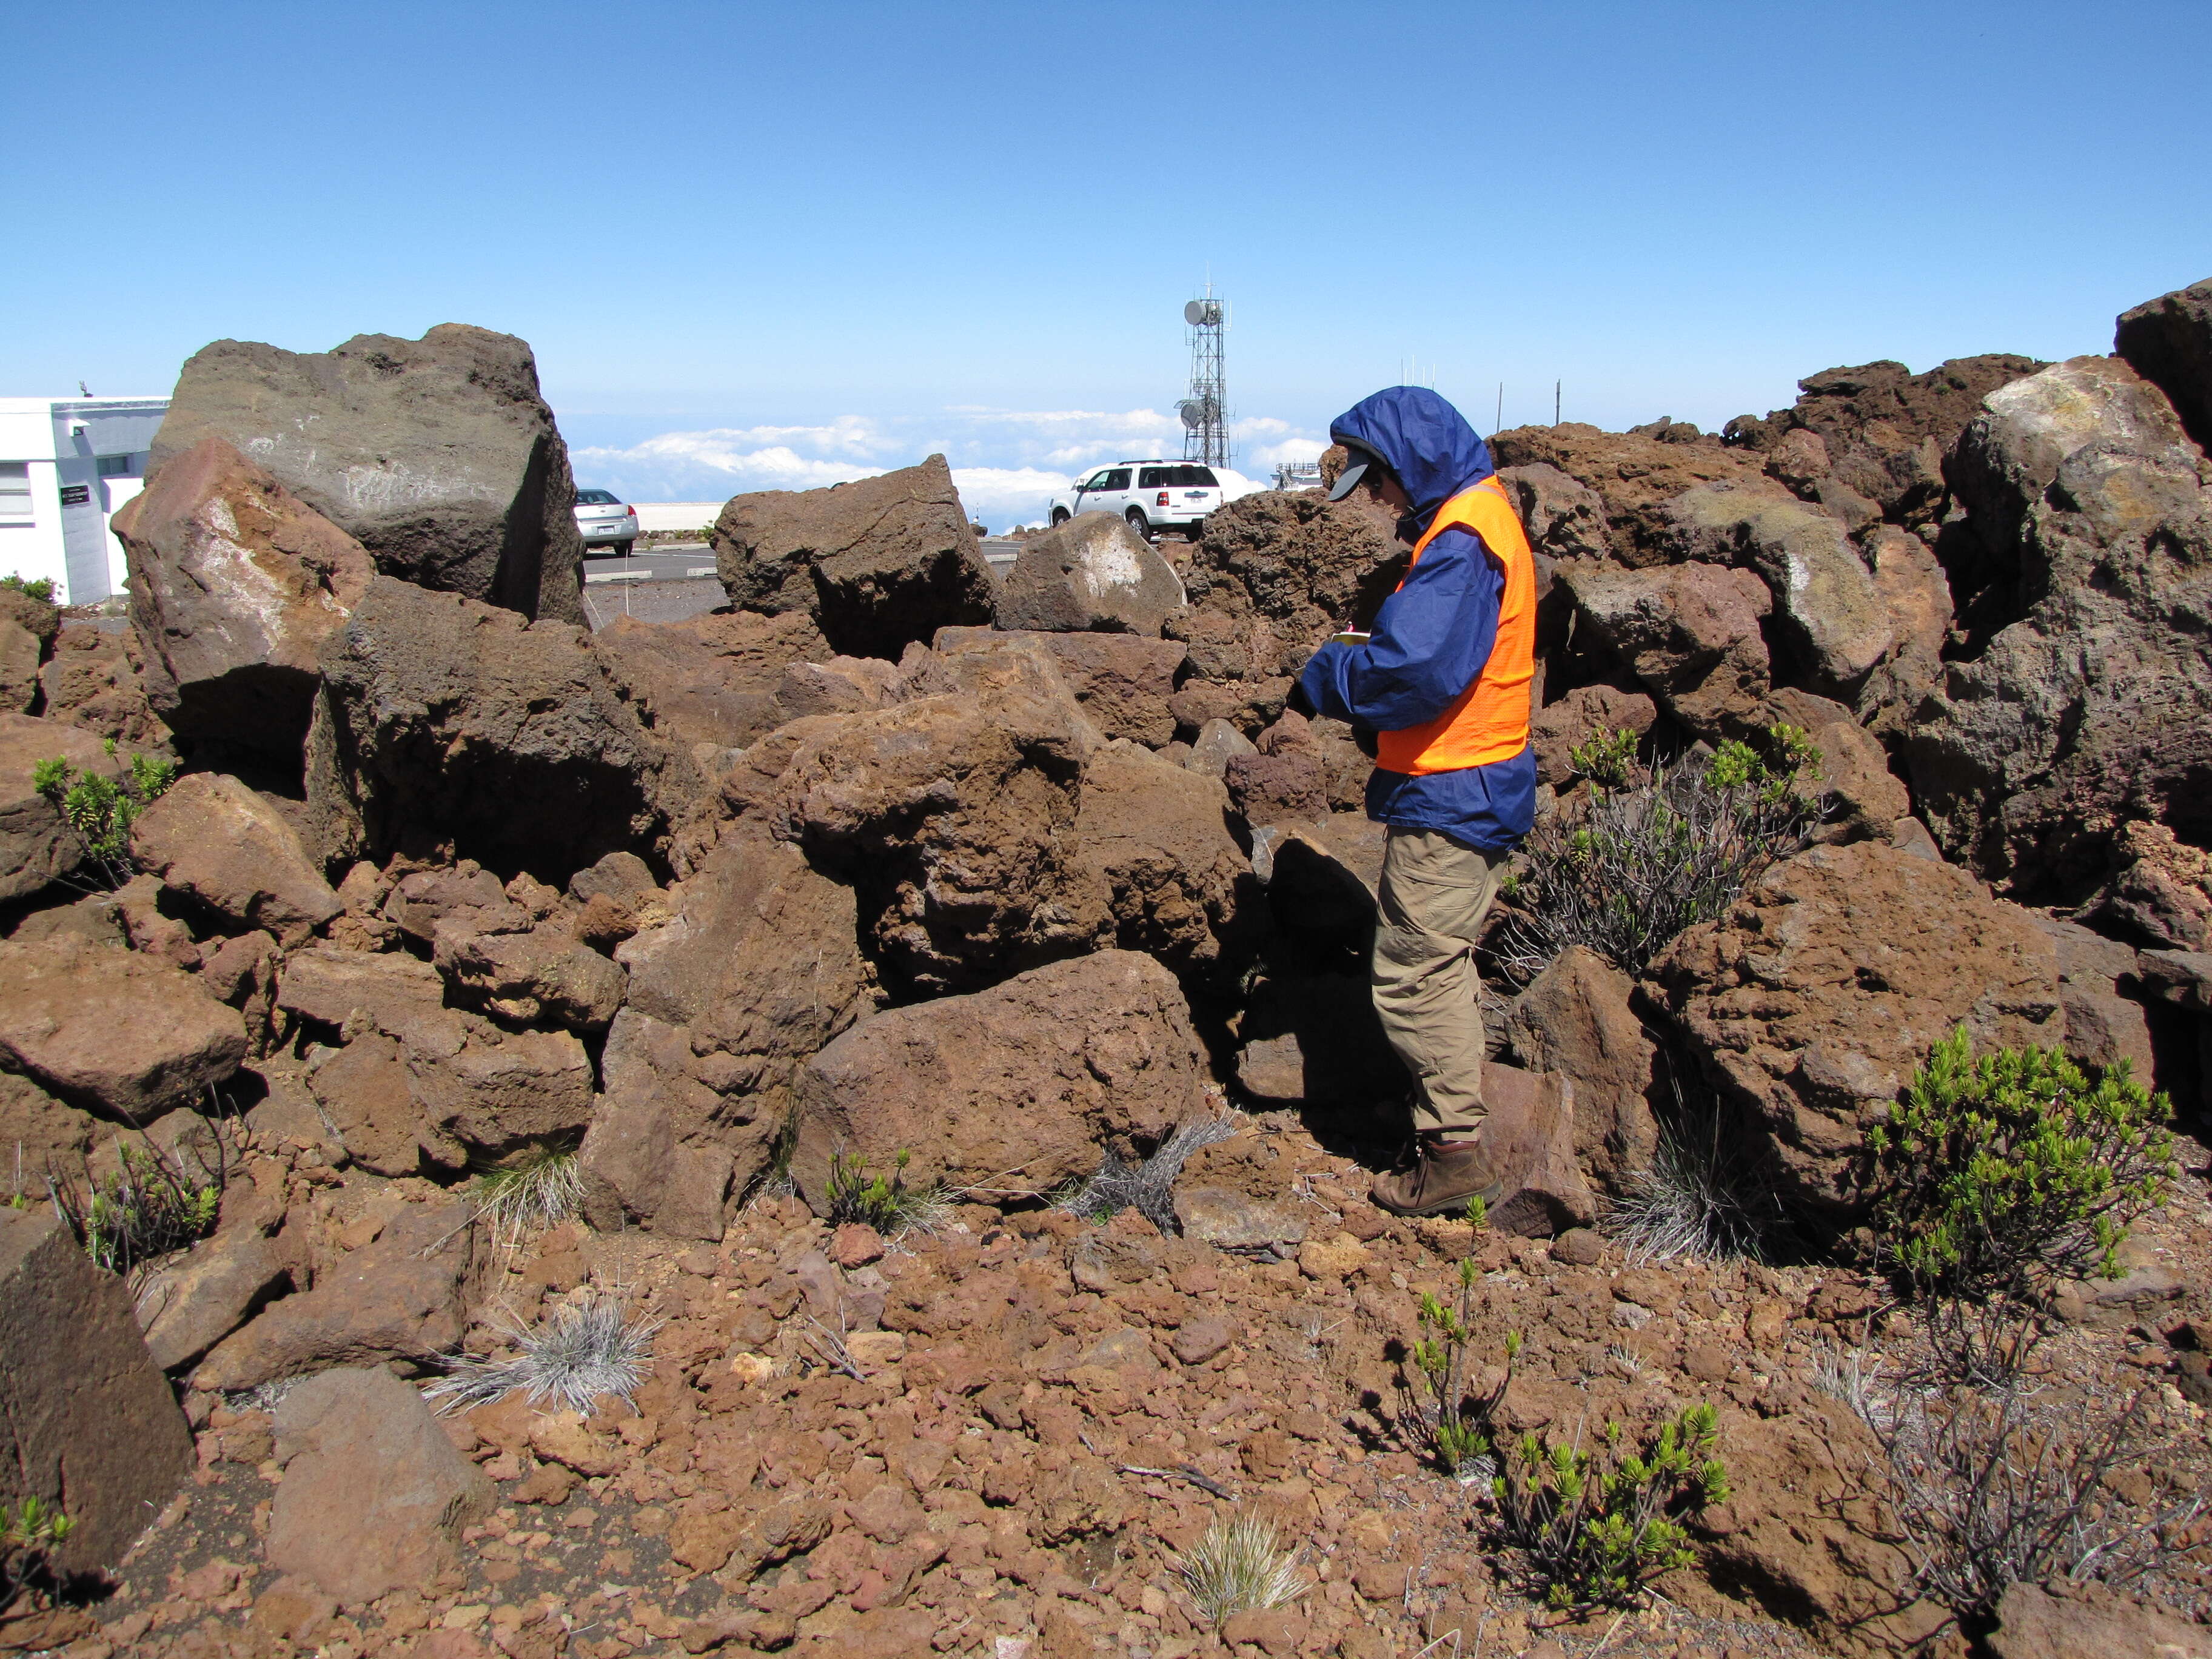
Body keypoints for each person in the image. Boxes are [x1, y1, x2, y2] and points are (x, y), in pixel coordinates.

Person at [1294, 386, 1538, 1216]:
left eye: (1380, 480)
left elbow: (1419, 673)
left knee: (1415, 973)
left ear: (1410, 462)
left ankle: (1455, 1159)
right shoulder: (1477, 517)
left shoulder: (1464, 539)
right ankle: (1451, 1124)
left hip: (1454, 788)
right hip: (1473, 778)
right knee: (1438, 962)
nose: (1379, 498)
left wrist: (1331, 673)